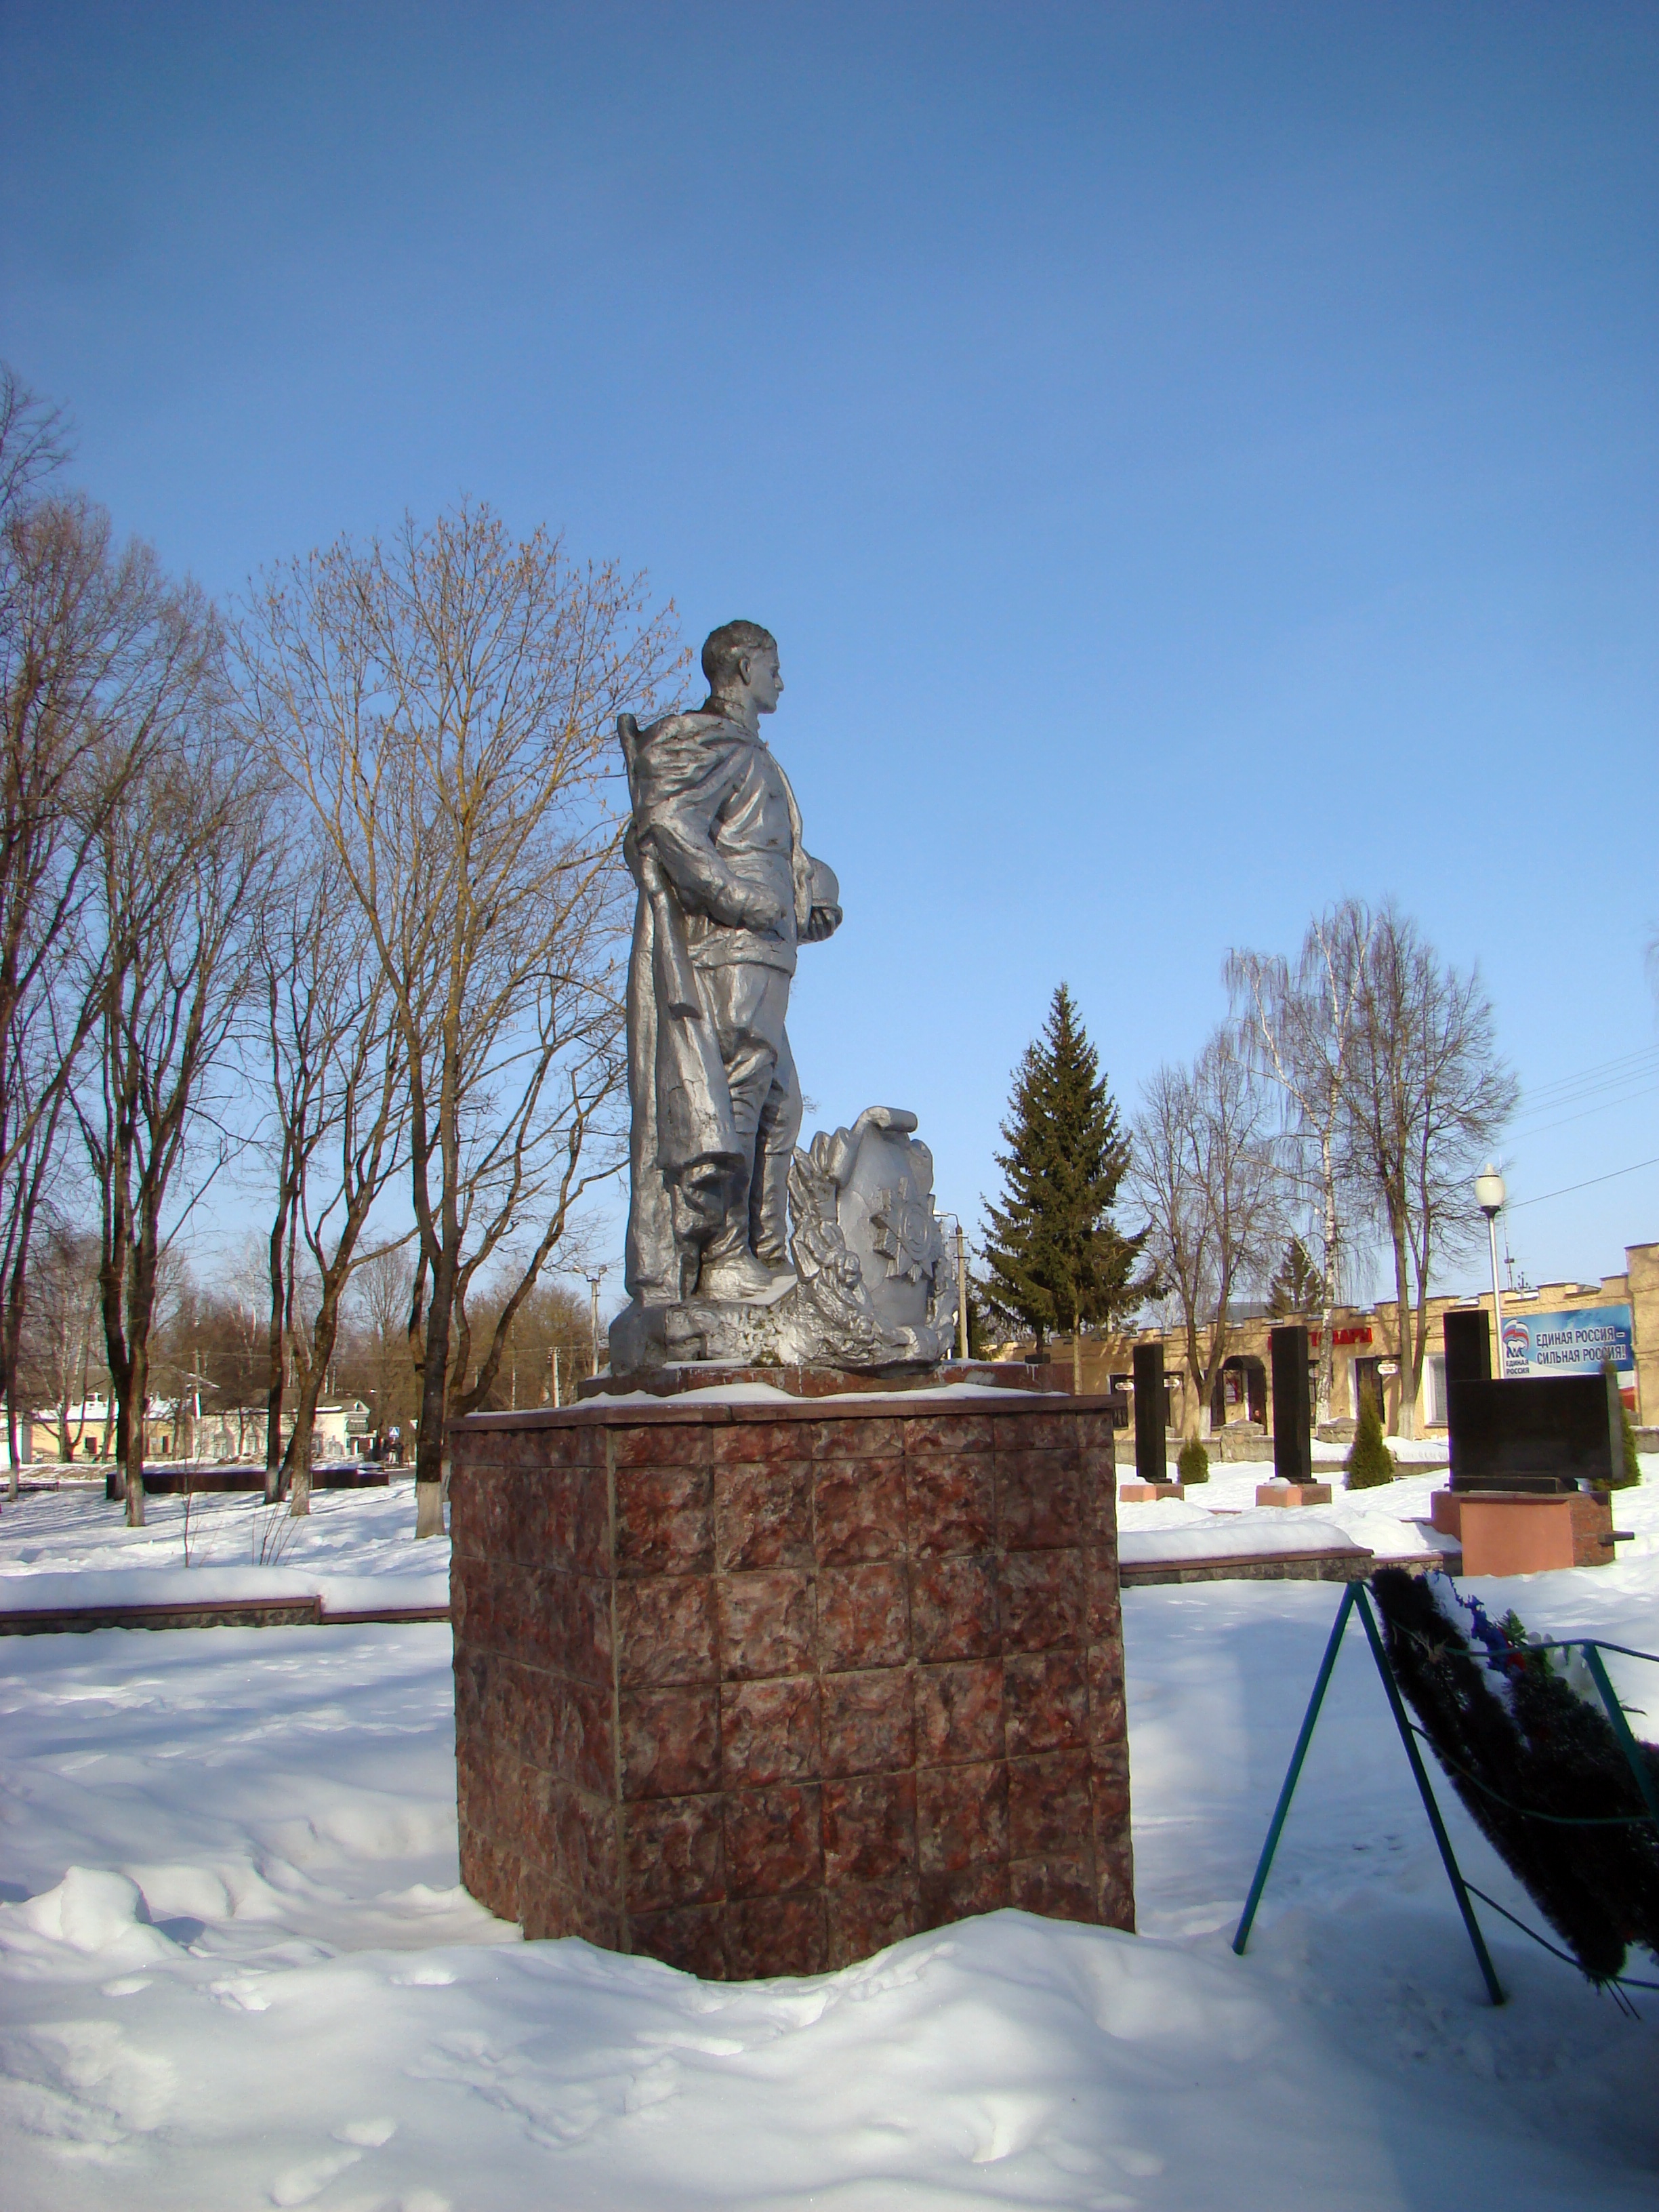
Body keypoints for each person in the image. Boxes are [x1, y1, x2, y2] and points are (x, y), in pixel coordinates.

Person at [619, 621, 840, 1313]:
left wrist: (806, 905)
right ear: (743, 666)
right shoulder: (709, 740)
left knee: (779, 1105)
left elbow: (762, 853)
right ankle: (722, 1259)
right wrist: (736, 897)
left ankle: (765, 1251)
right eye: (775, 664)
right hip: (732, 952)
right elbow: (667, 825)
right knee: (736, 1096)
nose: (783, 679)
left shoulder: (752, 754)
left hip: (766, 949)